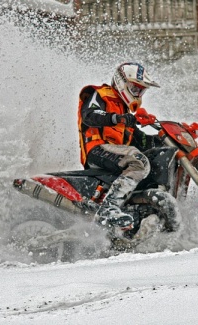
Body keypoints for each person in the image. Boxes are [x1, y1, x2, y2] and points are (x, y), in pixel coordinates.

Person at [78, 62, 161, 230]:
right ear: (122, 82)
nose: (137, 94)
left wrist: (161, 139)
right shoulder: (100, 94)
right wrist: (117, 118)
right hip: (97, 149)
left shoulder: (125, 113)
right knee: (139, 162)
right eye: (135, 88)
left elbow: (140, 140)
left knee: (148, 158)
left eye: (141, 90)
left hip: (116, 154)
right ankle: (108, 208)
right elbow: (89, 114)